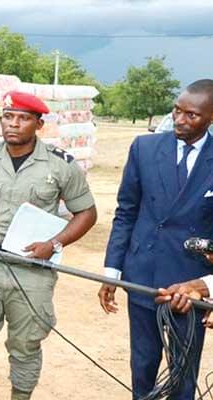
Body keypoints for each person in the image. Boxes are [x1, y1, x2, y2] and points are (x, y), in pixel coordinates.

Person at [0, 92, 97, 400]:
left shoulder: (60, 165)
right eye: (8, 117)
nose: (13, 124)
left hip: (32, 269)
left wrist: (54, 244)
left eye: (23, 118)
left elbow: (87, 213)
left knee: (26, 344)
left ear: (38, 124)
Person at [101, 79, 213, 398]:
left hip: (190, 284)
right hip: (143, 275)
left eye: (191, 115)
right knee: (143, 365)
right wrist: (113, 271)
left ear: (211, 117)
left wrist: (209, 285)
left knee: (182, 372)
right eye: (177, 111)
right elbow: (126, 211)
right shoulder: (144, 148)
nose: (180, 120)